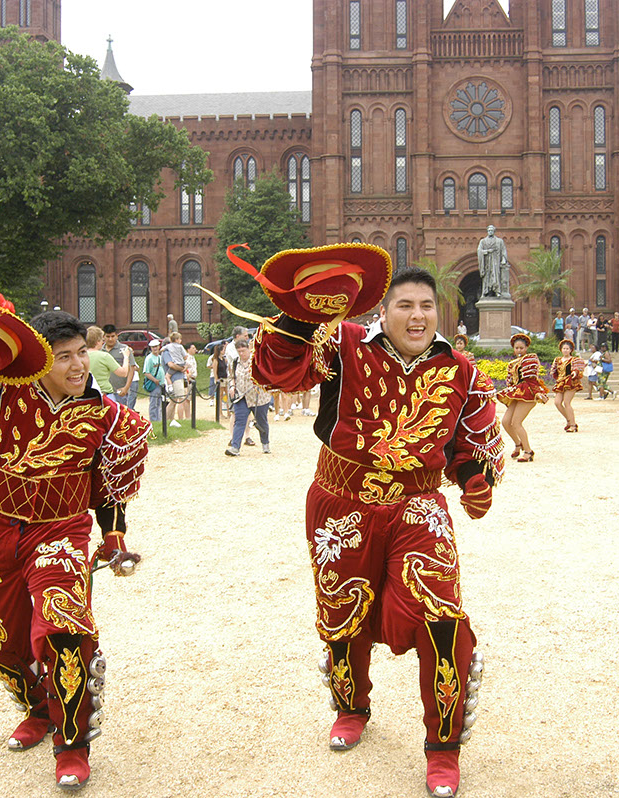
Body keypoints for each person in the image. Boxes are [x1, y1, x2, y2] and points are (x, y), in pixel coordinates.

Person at [251, 253, 504, 798]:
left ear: (440, 313)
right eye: (405, 305)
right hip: (341, 502)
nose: (418, 316)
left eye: (427, 306)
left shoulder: (460, 371)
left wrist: (476, 477)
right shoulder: (342, 346)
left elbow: (476, 437)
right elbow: (275, 371)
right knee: (342, 612)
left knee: (439, 612)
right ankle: (351, 706)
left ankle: (443, 747)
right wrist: (299, 313)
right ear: (383, 311)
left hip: (417, 504)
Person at [0, 287, 149, 792]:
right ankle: (38, 708)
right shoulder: (0, 393)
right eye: (64, 356)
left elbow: (108, 489)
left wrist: (113, 538)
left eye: (81, 352)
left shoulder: (106, 416)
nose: (78, 364)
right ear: (41, 362)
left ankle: (72, 746)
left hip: (60, 530)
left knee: (65, 631)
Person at [497, 332, 548, 462]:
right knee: (506, 422)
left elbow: (531, 380)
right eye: (516, 348)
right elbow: (511, 381)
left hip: (529, 393)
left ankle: (528, 451)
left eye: (521, 348)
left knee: (516, 423)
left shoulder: (530, 359)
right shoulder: (512, 363)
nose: (519, 350)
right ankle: (518, 444)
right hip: (517, 393)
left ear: (526, 348)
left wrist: (537, 392)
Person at [224, 340, 271, 455]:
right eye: (239, 351)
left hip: (258, 397)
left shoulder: (257, 361)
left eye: (243, 351)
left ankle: (265, 444)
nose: (241, 354)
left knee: (261, 421)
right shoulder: (234, 363)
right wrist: (232, 386)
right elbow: (231, 377)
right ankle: (235, 447)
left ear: (249, 349)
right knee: (239, 420)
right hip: (241, 397)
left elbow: (267, 374)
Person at [86, 326, 132, 405]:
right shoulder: (104, 356)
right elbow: (123, 373)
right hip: (105, 394)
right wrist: (126, 357)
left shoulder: (81, 357)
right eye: (102, 340)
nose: (103, 342)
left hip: (87, 394)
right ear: (97, 341)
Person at [550, 338, 585, 432]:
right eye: (564, 348)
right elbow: (555, 372)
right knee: (557, 402)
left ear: (570, 350)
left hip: (570, 382)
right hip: (560, 382)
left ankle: (573, 425)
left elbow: (577, 369)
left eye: (567, 348)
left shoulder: (574, 360)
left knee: (566, 402)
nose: (565, 350)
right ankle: (569, 420)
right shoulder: (558, 360)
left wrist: (575, 373)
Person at [161, 332, 189, 427]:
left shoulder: (171, 350)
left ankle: (169, 421)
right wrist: (182, 368)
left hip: (178, 377)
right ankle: (177, 420)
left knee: (174, 400)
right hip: (175, 378)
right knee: (179, 399)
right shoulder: (166, 353)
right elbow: (171, 365)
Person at [141, 338, 166, 428]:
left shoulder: (160, 357)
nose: (155, 348)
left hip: (161, 383)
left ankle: (159, 419)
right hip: (154, 384)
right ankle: (153, 420)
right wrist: (154, 379)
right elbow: (146, 372)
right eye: (153, 347)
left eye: (156, 346)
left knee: (160, 403)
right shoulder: (149, 358)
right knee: (153, 403)